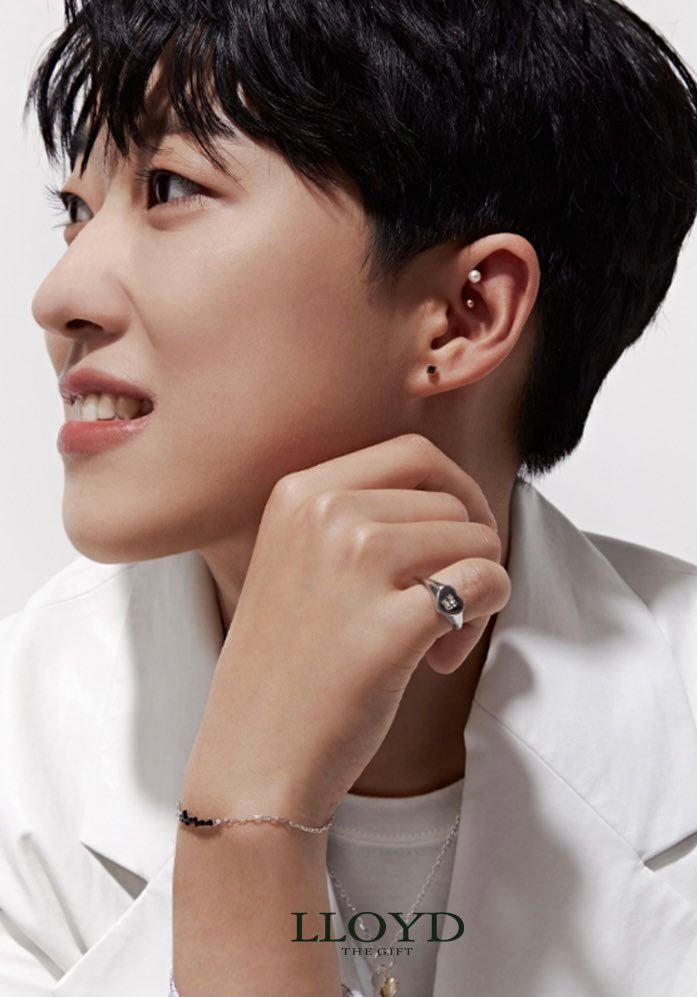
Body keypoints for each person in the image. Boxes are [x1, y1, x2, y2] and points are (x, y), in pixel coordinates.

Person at [2, 0, 697, 994]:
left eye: (169, 188)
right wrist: (249, 815)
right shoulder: (19, 747)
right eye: (75, 210)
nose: (58, 295)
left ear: (464, 314)